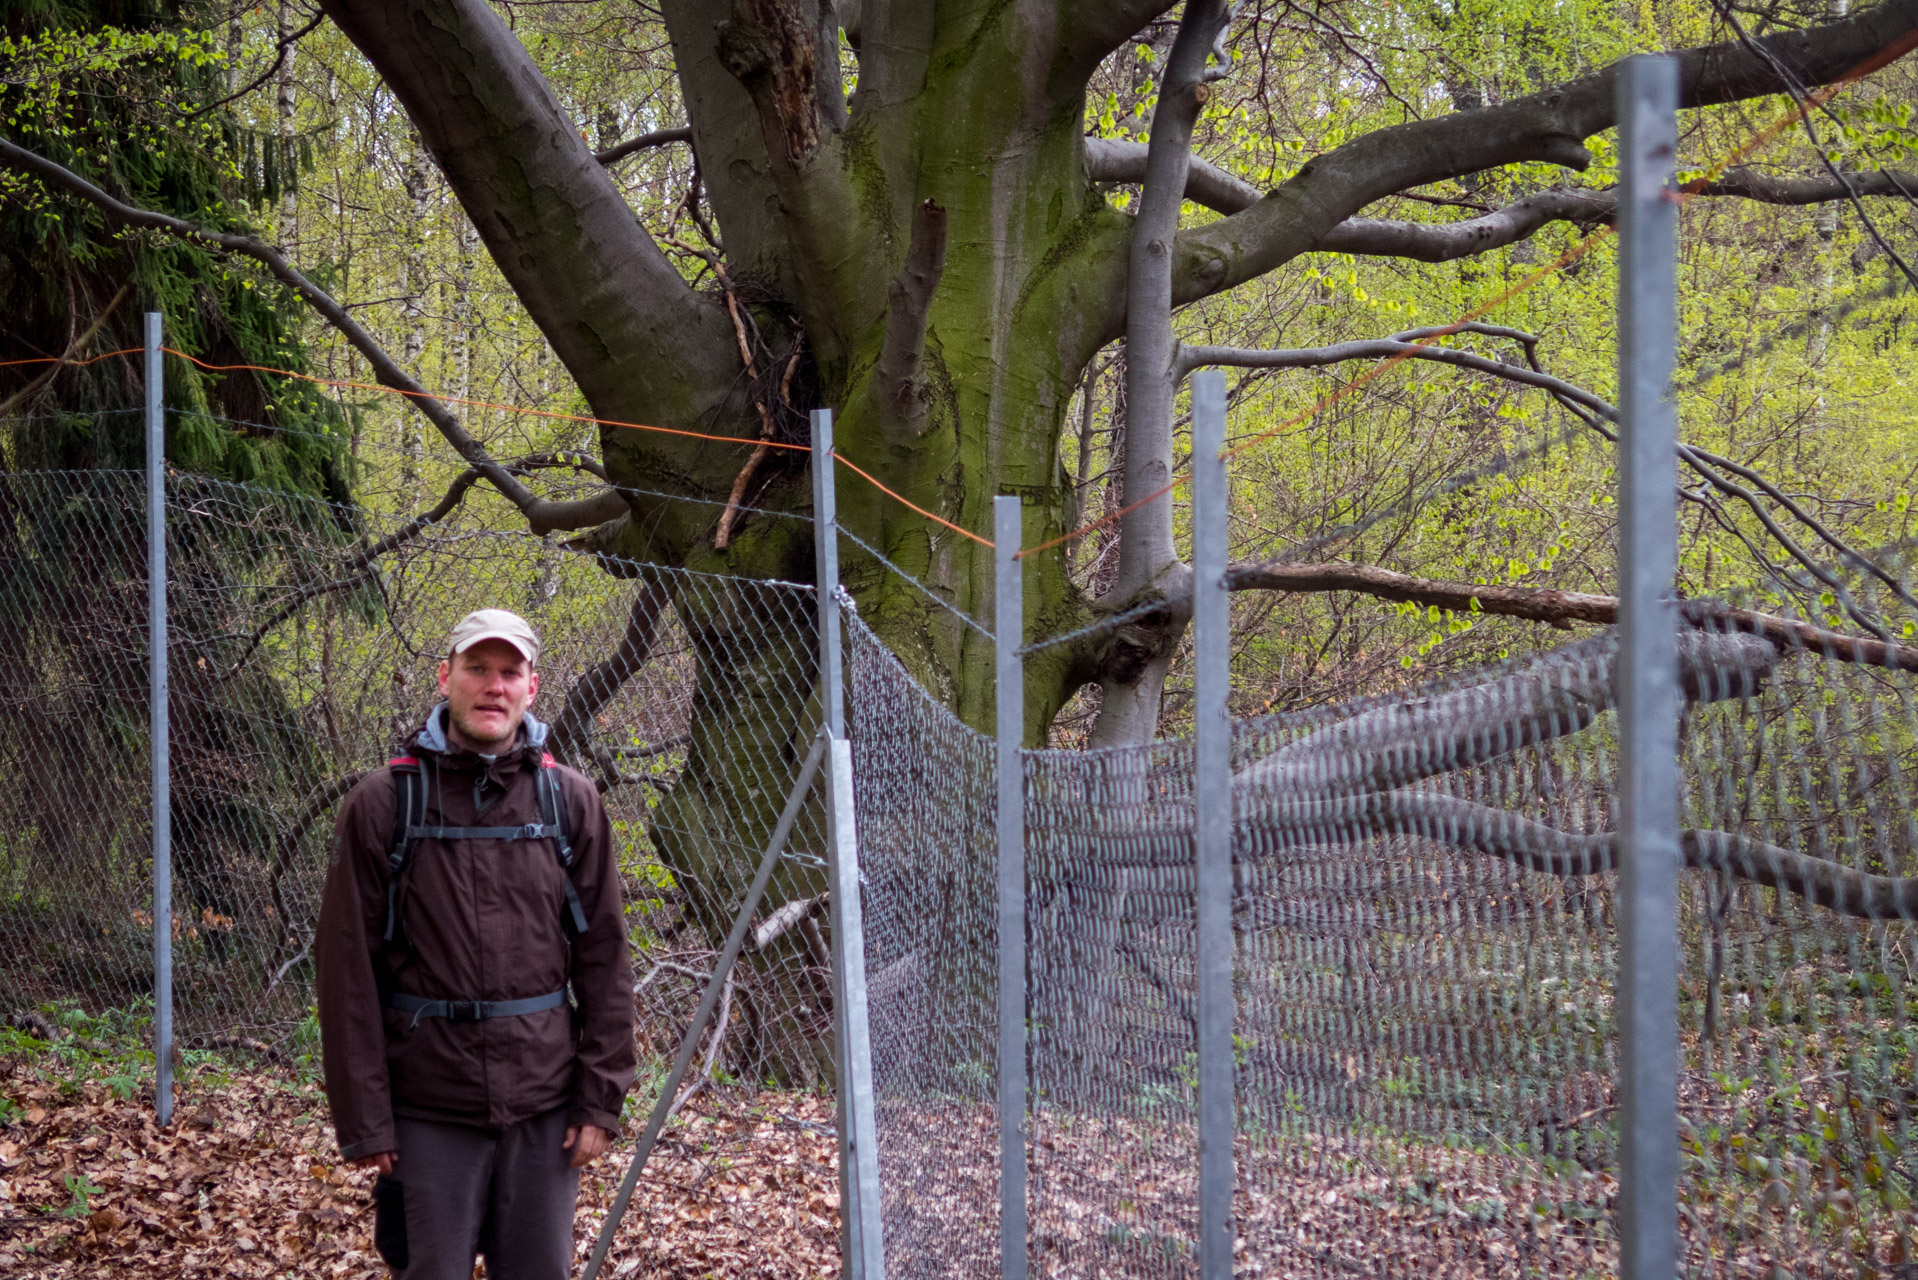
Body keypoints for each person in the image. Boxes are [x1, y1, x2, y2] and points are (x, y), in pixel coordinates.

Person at [316, 608, 634, 1280]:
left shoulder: (569, 803)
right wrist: (367, 1119)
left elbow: (605, 960)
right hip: (429, 1108)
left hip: (545, 1109)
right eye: (477, 669)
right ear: (445, 677)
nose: (494, 686)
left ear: (532, 687)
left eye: (509, 672)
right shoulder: (383, 805)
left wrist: (600, 1099)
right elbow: (348, 974)